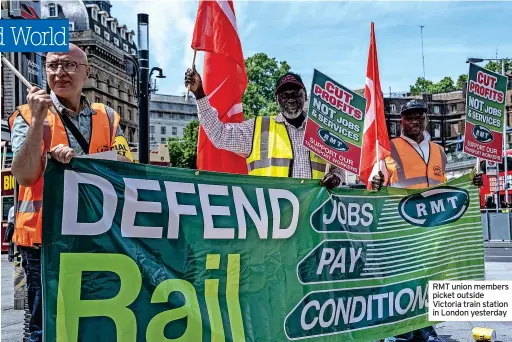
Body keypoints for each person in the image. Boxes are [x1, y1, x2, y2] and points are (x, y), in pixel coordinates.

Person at [9, 43, 130, 342]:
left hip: (98, 237)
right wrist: (38, 121)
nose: (60, 73)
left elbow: (127, 166)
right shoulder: (25, 115)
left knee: (94, 321)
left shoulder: (109, 117)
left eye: (69, 65)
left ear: (87, 72)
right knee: (44, 327)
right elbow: (23, 175)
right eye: (52, 66)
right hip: (43, 241)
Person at [370, 99, 483, 342]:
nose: (414, 121)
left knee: (429, 281)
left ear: (426, 119)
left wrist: (471, 182)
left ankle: (425, 327)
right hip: (401, 229)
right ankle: (399, 332)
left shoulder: (439, 152)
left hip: (432, 231)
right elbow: (374, 187)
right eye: (409, 117)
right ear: (401, 120)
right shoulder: (388, 150)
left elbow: (445, 187)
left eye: (419, 116)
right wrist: (375, 182)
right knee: (402, 281)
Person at [184, 68, 345, 188]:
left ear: (306, 96)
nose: (290, 98)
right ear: (277, 100)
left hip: (312, 220)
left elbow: (340, 165)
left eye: (296, 92)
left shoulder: (322, 131)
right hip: (271, 222)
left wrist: (337, 176)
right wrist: (199, 93)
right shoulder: (257, 129)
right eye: (284, 94)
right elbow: (218, 134)